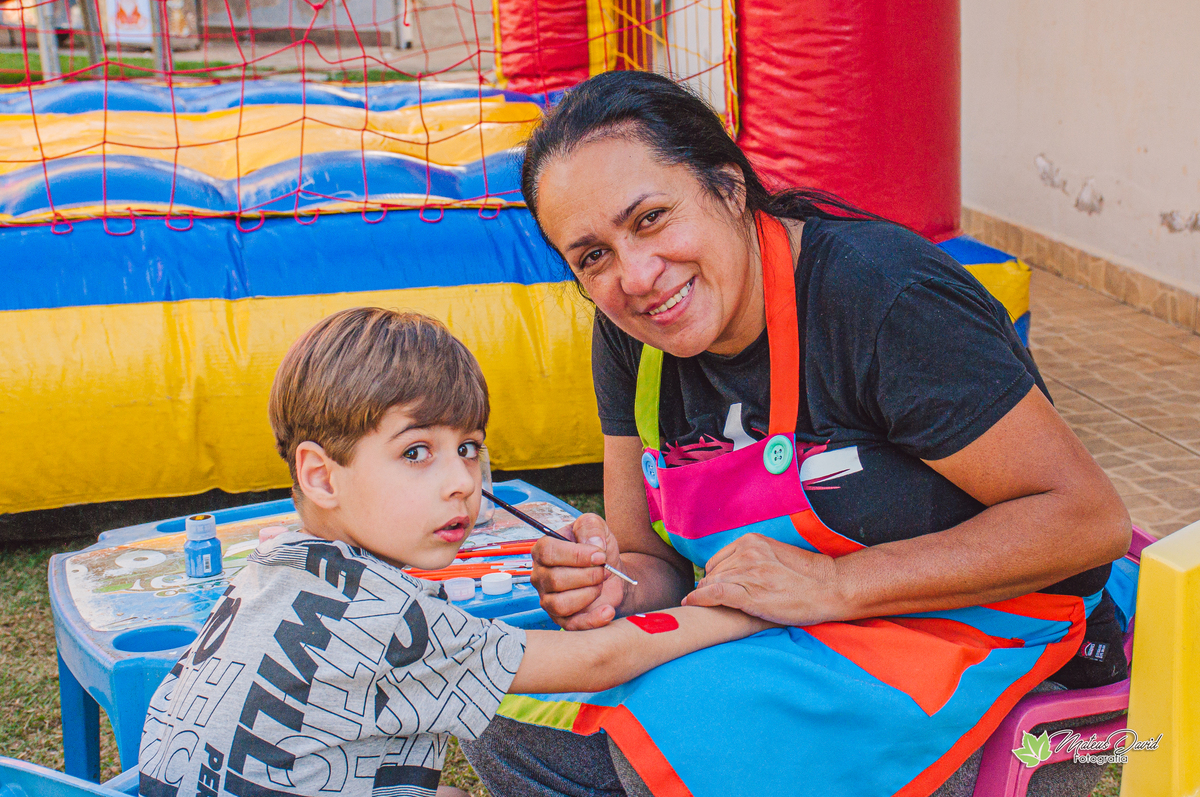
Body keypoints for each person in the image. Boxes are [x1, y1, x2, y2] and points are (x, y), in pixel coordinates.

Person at [460, 71, 1133, 797]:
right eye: (592, 256)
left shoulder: (882, 297)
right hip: (794, 636)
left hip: (984, 640)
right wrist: (610, 589)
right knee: (515, 727)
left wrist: (835, 582)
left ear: (727, 185)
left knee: (617, 758)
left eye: (650, 218)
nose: (638, 275)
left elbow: (1087, 522)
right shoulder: (629, 336)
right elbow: (648, 562)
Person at [136, 307, 770, 797]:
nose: (463, 481)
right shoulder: (386, 617)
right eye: (417, 453)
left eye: (468, 447)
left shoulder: (266, 572)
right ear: (322, 476)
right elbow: (600, 660)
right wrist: (744, 607)